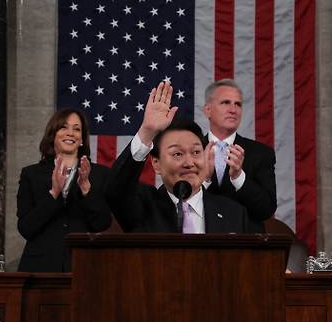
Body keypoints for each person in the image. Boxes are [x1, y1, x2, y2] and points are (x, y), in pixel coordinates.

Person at [105, 82, 252, 233]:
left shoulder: (234, 213)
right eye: (177, 154)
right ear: (156, 163)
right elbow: (116, 189)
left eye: (196, 152)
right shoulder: (143, 206)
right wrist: (147, 132)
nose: (189, 163)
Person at [17, 108, 112, 272]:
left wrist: (86, 189)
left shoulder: (98, 174)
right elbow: (26, 228)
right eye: (64, 127)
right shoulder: (31, 174)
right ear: (53, 134)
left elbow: (101, 224)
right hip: (40, 269)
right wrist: (54, 194)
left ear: (82, 139)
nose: (70, 133)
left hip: (85, 267)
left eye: (77, 129)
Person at [202, 79, 277, 232]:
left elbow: (266, 210)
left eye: (238, 104)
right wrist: (204, 179)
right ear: (208, 110)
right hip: (200, 244)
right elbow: (177, 203)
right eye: (225, 102)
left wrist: (238, 178)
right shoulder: (190, 150)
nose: (233, 110)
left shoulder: (261, 153)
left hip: (246, 246)